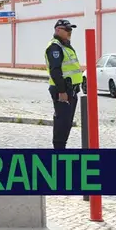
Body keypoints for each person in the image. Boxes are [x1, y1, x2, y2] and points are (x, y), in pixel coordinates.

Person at [44, 19, 83, 150]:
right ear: (58, 30)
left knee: (67, 122)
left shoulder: (65, 45)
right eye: (67, 30)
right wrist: (62, 91)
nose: (69, 32)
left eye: (70, 30)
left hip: (71, 90)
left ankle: (61, 148)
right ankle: (59, 150)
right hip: (63, 90)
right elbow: (55, 71)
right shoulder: (55, 47)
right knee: (62, 122)